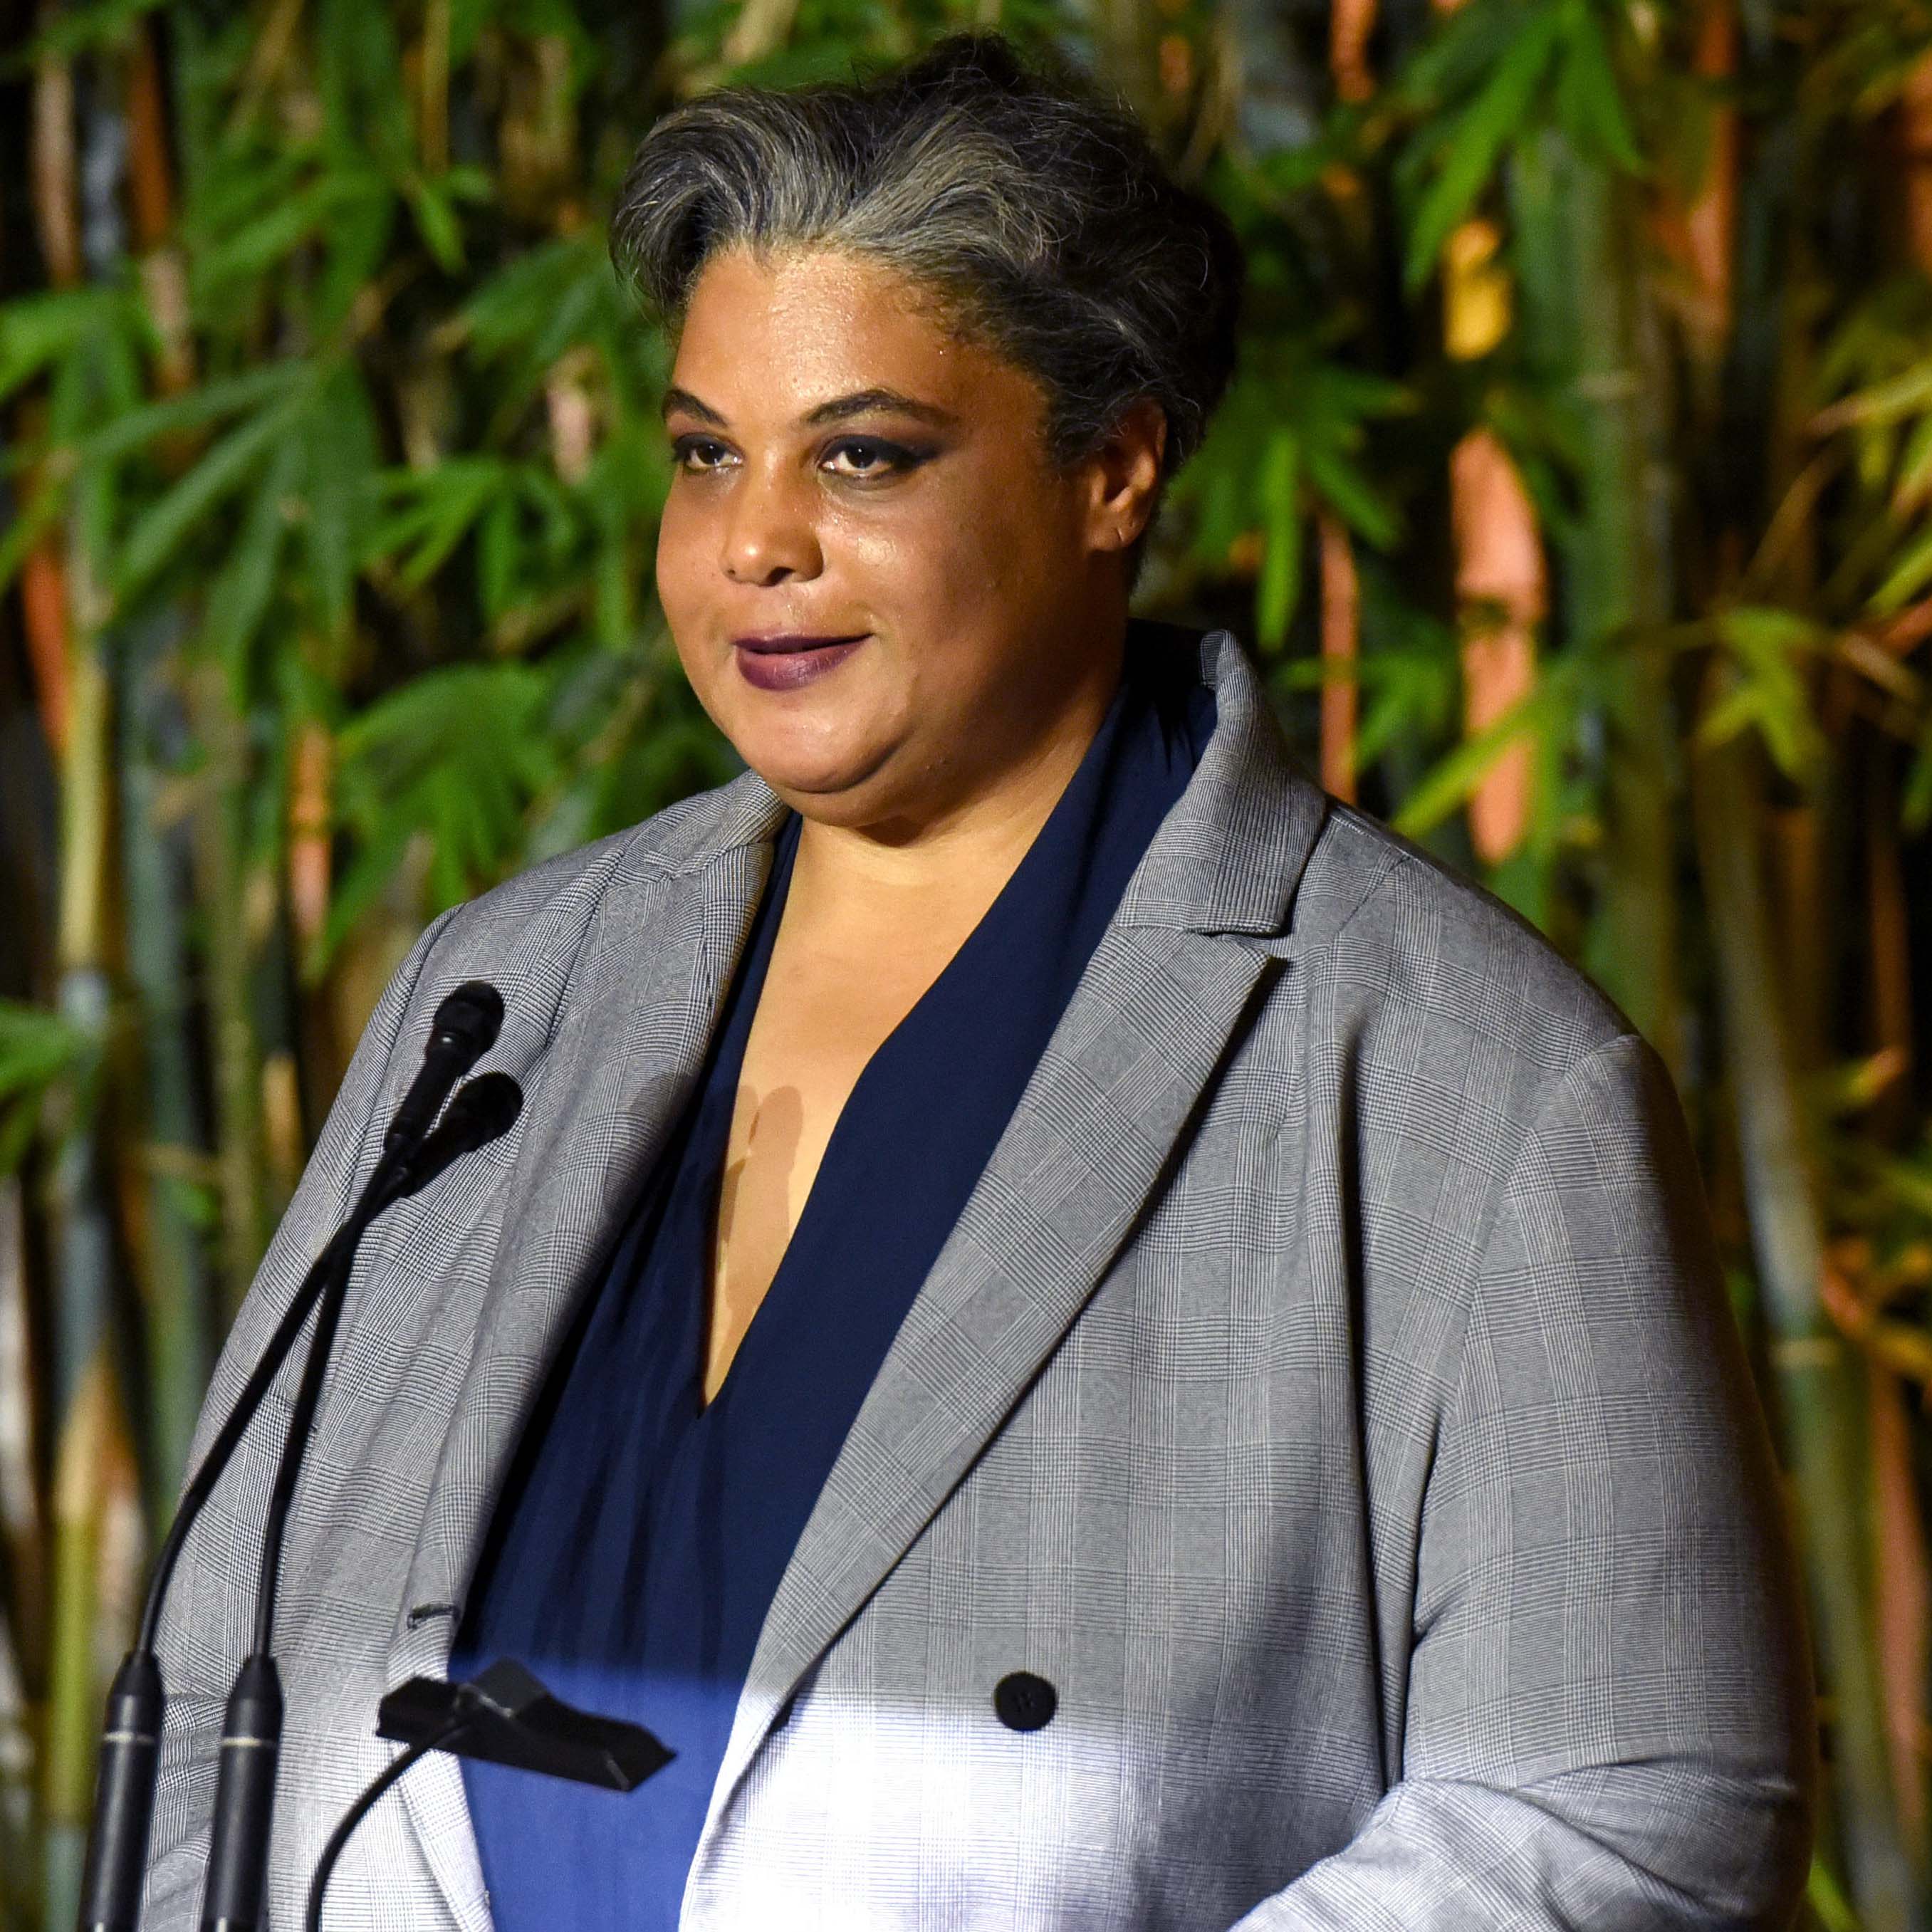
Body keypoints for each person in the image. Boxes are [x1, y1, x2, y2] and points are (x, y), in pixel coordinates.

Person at [145, 31, 1815, 1931]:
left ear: (1108, 470)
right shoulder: (503, 991)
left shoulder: (1455, 1073)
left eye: (862, 454)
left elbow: (1635, 1809)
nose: (757, 541)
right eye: (709, 455)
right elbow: (216, 1691)